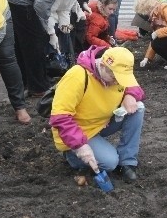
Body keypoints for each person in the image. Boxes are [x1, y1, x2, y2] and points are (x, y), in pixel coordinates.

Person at [0, 0, 90, 97]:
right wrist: (48, 30)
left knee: (22, 41)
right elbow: (41, 5)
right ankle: (38, 87)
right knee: (34, 40)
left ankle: (26, 82)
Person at [49, 46, 146, 183]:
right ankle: (72, 155)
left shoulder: (118, 71)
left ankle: (127, 162)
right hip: (80, 130)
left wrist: (130, 95)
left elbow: (135, 87)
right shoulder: (77, 77)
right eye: (114, 77)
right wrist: (80, 146)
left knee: (138, 109)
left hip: (101, 123)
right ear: (102, 65)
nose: (118, 82)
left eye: (122, 78)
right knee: (110, 162)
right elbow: (60, 117)